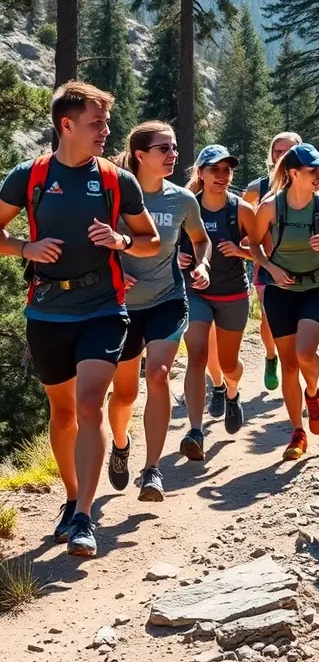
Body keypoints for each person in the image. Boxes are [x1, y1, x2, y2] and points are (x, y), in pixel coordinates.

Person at [0, 82, 160, 557]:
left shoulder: (116, 179)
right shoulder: (28, 177)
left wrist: (122, 241)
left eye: (107, 123)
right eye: (97, 123)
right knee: (64, 411)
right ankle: (71, 499)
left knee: (90, 403)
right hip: (47, 309)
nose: (106, 131)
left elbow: (150, 239)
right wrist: (24, 247)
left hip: (104, 307)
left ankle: (86, 517)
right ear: (66, 125)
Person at [106, 123, 211, 502]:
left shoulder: (183, 199)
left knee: (160, 374)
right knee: (124, 394)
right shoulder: (115, 195)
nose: (172, 155)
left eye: (175, 147)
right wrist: (113, 272)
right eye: (163, 148)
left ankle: (152, 470)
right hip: (120, 307)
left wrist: (202, 265)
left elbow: (201, 240)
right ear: (140, 155)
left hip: (168, 299)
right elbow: (95, 241)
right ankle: (121, 444)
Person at [250, 143, 319, 461]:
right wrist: (270, 268)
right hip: (280, 290)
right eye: (313, 170)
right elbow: (253, 245)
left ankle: (314, 393)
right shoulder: (270, 207)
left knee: (305, 354)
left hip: (316, 287)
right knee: (289, 364)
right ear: (293, 173)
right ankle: (297, 432)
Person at [178, 145, 261, 462]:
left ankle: (231, 392)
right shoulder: (187, 207)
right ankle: (195, 431)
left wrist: (240, 252)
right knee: (196, 354)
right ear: (201, 173)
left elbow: (265, 253)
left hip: (232, 294)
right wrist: (177, 257)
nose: (222, 176)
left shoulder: (241, 210)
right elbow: (163, 247)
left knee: (228, 364)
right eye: (215, 170)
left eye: (227, 170)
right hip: (196, 291)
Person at [244, 132, 302, 393]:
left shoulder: (311, 183)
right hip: (266, 263)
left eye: (289, 151)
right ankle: (270, 356)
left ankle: (294, 366)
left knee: (300, 319)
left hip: (302, 263)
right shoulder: (257, 189)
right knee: (269, 316)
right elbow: (242, 227)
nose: (283, 156)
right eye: (278, 151)